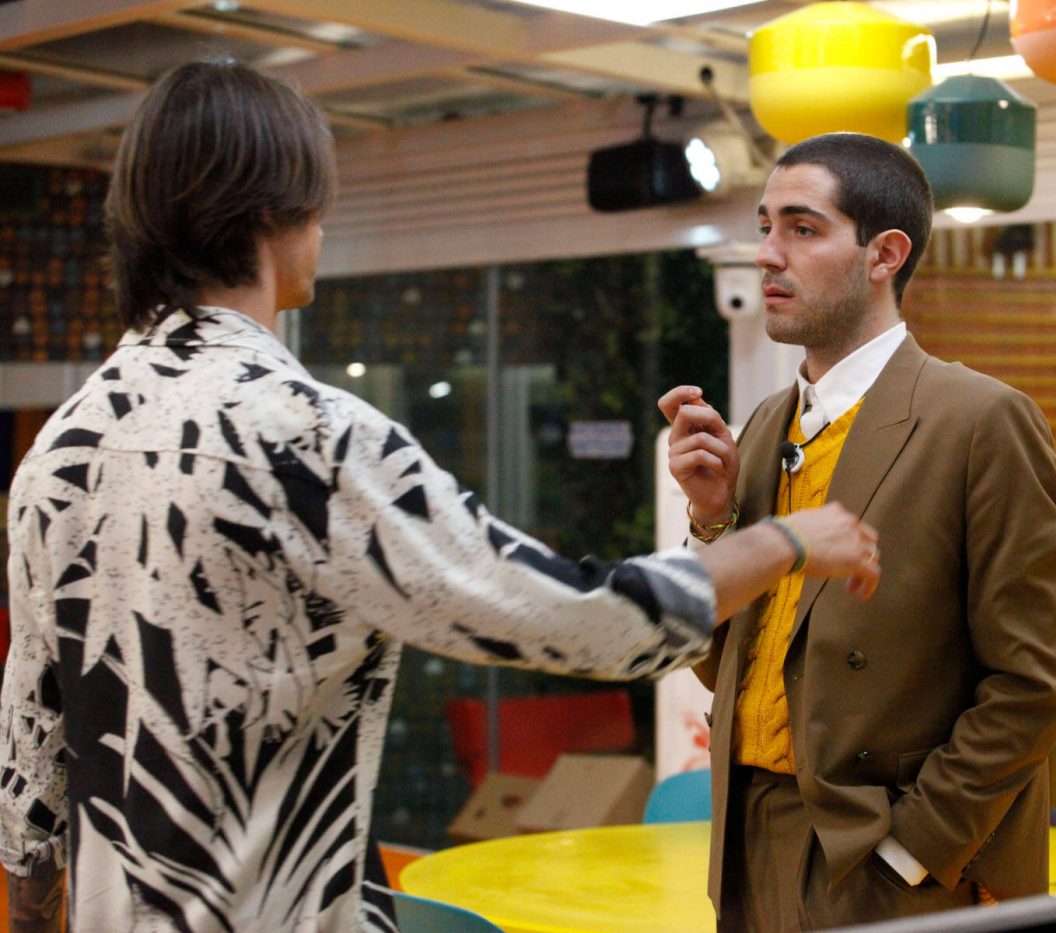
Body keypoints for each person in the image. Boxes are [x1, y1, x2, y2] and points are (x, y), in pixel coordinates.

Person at [0, 62, 882, 933]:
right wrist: (781, 542)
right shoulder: (305, 436)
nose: (322, 228)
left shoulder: (62, 447)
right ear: (274, 214)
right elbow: (571, 617)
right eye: (318, 204)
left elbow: (30, 765)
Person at [660, 132, 1056, 931]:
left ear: (885, 253)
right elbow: (726, 669)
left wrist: (913, 847)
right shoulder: (763, 427)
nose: (768, 253)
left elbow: (1034, 682)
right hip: (745, 842)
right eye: (764, 227)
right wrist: (712, 521)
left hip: (891, 860)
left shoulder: (981, 420)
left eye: (802, 228)